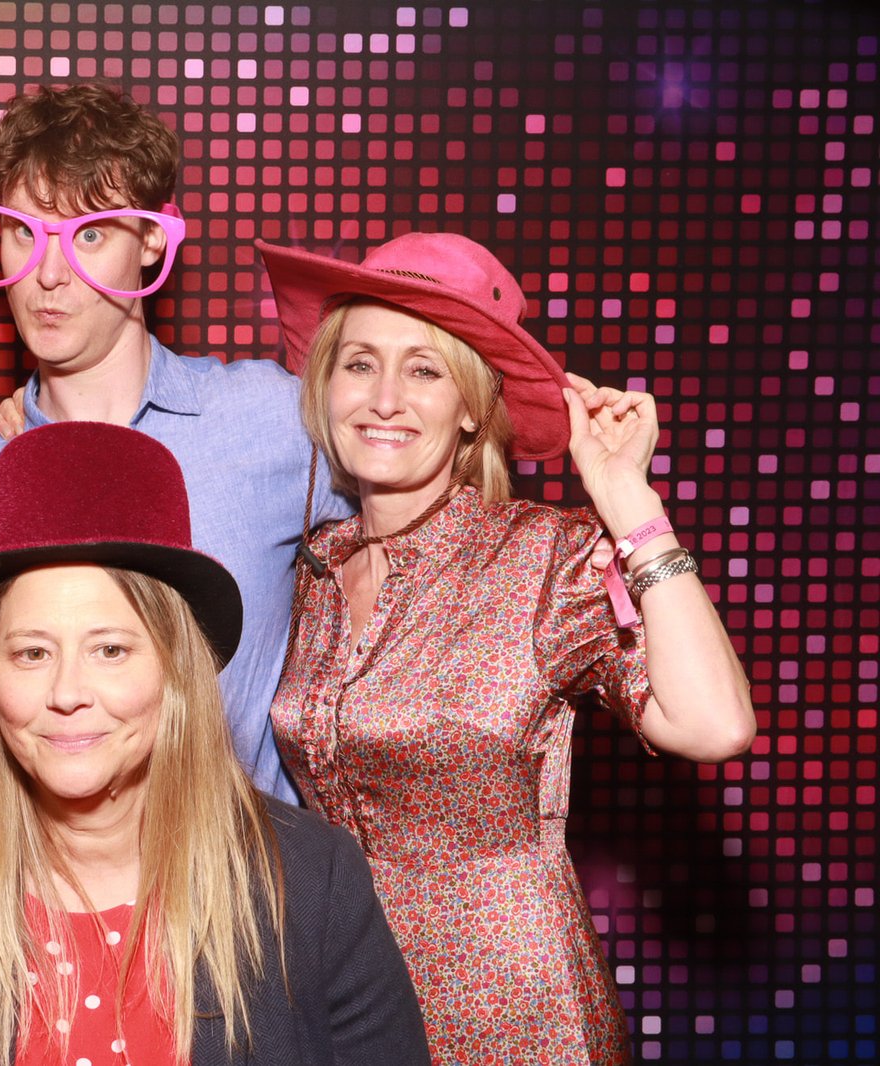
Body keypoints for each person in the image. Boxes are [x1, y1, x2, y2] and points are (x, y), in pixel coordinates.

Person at [257, 232, 757, 1064]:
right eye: (359, 364)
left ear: (471, 407)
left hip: (516, 1015)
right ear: (325, 386)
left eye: (425, 370)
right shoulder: (313, 568)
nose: (385, 397)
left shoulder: (541, 557)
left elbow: (714, 725)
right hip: (346, 1004)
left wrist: (628, 501)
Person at [0, 421, 430, 1066]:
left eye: (110, 650)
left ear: (175, 668)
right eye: (32, 652)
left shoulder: (312, 882)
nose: (67, 692)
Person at [0, 84, 353, 805]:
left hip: (247, 864)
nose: (48, 275)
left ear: (152, 240)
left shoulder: (270, 422)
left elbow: (426, 530)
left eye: (89, 235)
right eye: (23, 232)